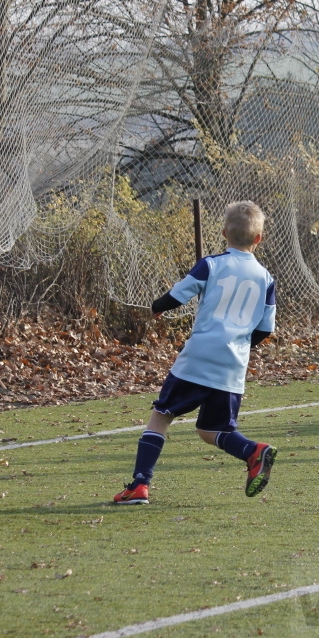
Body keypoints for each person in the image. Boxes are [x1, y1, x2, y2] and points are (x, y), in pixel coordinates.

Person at [114, 201, 279, 504]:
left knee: (161, 415)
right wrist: (240, 345)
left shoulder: (212, 264)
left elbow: (179, 294)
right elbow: (265, 329)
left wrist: (157, 307)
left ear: (224, 233)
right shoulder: (266, 278)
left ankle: (139, 485)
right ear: (259, 238)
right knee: (211, 429)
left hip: (200, 356)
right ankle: (252, 451)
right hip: (233, 365)